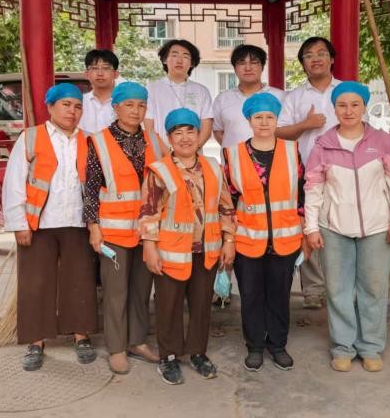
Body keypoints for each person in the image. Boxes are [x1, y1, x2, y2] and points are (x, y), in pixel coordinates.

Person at [303, 81, 390, 373]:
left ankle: (371, 347)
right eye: (342, 105)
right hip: (333, 228)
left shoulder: (382, 141)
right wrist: (311, 227)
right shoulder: (323, 144)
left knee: (373, 289)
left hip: (377, 228)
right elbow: (313, 188)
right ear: (334, 108)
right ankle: (343, 347)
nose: (348, 111)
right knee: (338, 290)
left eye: (354, 105)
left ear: (364, 107)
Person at [1, 83, 99, 371]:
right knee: (36, 284)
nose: (72, 111)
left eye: (78, 106)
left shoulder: (89, 140)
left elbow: (95, 185)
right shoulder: (31, 138)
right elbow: (15, 182)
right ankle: (36, 341)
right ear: (51, 107)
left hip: (78, 221)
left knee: (80, 280)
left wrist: (96, 224)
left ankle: (81, 336)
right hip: (39, 224)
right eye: (66, 104)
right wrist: (19, 224)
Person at [139, 108, 236, 385]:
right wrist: (149, 247)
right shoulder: (159, 170)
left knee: (201, 305)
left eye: (190, 131)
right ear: (169, 138)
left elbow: (226, 207)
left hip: (206, 250)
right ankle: (168, 357)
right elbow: (148, 211)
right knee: (168, 306)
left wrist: (229, 241)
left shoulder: (213, 168)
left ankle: (197, 352)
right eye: (177, 133)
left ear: (199, 135)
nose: (184, 138)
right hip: (170, 253)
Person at [83, 82, 165, 375]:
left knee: (142, 290)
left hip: (147, 232)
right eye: (129, 105)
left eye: (141, 105)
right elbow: (91, 188)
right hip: (113, 231)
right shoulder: (99, 141)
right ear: (115, 107)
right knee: (116, 292)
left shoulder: (154, 141)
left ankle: (138, 341)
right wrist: (93, 226)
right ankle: (117, 348)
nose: (136, 110)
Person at [223, 92, 304, 372]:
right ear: (249, 120)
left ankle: (278, 344)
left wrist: (305, 227)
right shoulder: (232, 155)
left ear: (277, 119)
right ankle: (255, 345)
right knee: (251, 295)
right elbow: (228, 200)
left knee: (280, 295)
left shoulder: (292, 151)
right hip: (248, 240)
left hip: (285, 238)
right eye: (258, 117)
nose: (265, 122)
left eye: (270, 117)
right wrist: (228, 238)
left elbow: (302, 194)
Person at [276, 37, 341, 309]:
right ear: (302, 63)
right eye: (309, 55)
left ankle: (339, 285)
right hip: (305, 170)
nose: (316, 58)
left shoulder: (347, 91)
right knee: (309, 224)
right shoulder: (294, 97)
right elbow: (279, 131)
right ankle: (313, 288)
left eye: (322, 53)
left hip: (344, 170)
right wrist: (307, 124)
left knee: (340, 225)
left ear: (331, 59)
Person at [212, 44, 285, 149]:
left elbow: (286, 132)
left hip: (271, 163)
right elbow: (218, 131)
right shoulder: (223, 99)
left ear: (263, 67)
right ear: (235, 68)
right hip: (234, 162)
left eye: (254, 62)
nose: (248, 68)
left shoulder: (281, 97)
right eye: (242, 63)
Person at [145, 40, 214, 149]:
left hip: (193, 155)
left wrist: (191, 152)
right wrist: (167, 154)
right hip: (160, 155)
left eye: (185, 56)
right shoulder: (152, 89)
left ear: (192, 63)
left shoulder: (201, 91)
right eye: (174, 55)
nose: (179, 60)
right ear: (164, 60)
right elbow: (149, 129)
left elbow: (206, 128)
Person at [80, 49, 120, 134]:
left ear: (116, 74)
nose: (100, 73)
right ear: (86, 74)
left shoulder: (125, 102)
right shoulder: (79, 102)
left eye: (106, 68)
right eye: (94, 68)